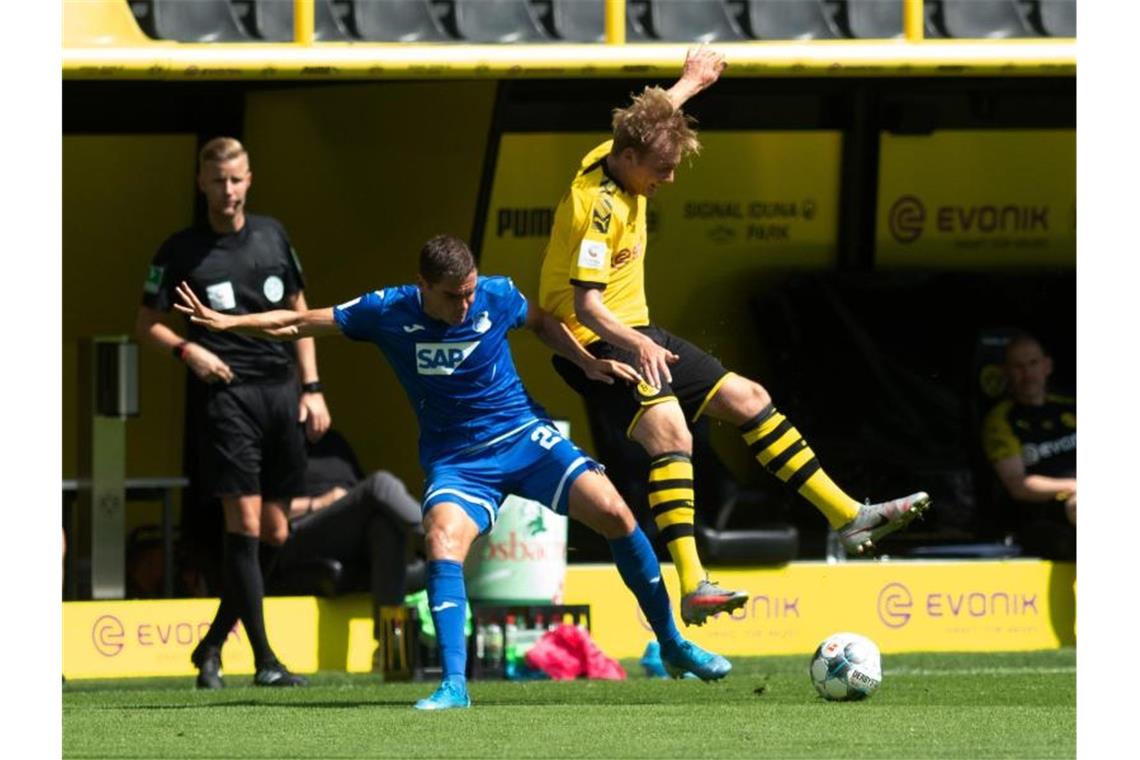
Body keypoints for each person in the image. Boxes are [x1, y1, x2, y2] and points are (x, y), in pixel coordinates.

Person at [174, 234, 733, 710]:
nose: (466, 305)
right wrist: (227, 322)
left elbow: (540, 320)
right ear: (422, 285)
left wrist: (588, 361)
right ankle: (454, 685)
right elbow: (296, 323)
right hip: (458, 461)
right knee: (442, 540)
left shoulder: (496, 294)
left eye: (470, 291)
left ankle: (672, 642)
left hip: (524, 436)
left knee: (614, 512)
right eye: (453, 296)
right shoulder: (386, 311)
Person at [537, 46, 930, 625]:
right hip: (591, 342)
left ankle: (847, 515)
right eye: (662, 169)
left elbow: (649, 118)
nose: (668, 180)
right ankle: (693, 582)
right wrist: (640, 345)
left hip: (636, 329)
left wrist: (691, 82)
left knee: (750, 399)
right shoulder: (598, 208)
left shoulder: (617, 151)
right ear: (628, 158)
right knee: (672, 433)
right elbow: (586, 306)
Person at [135, 136, 331, 688]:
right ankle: (265, 660)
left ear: (250, 179)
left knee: (274, 531)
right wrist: (187, 349)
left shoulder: (272, 235)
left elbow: (300, 314)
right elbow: (145, 323)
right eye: (218, 181)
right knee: (242, 525)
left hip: (280, 394)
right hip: (227, 400)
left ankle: (213, 644)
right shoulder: (178, 251)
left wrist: (312, 388)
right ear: (201, 183)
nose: (228, 191)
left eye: (237, 179)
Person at [277, 430, 426, 640]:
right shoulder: (276, 442)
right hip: (301, 532)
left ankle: (388, 642)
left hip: (348, 529)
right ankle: (439, 534)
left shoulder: (334, 441)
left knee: (384, 526)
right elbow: (261, 511)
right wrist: (317, 503)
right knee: (380, 483)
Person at [981, 332, 1076, 560]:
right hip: (1041, 515)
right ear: (1006, 372)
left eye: (1033, 363)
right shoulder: (1000, 420)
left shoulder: (1071, 408)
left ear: (1047, 365)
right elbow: (1018, 485)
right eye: (1018, 366)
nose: (1027, 373)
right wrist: (1074, 484)